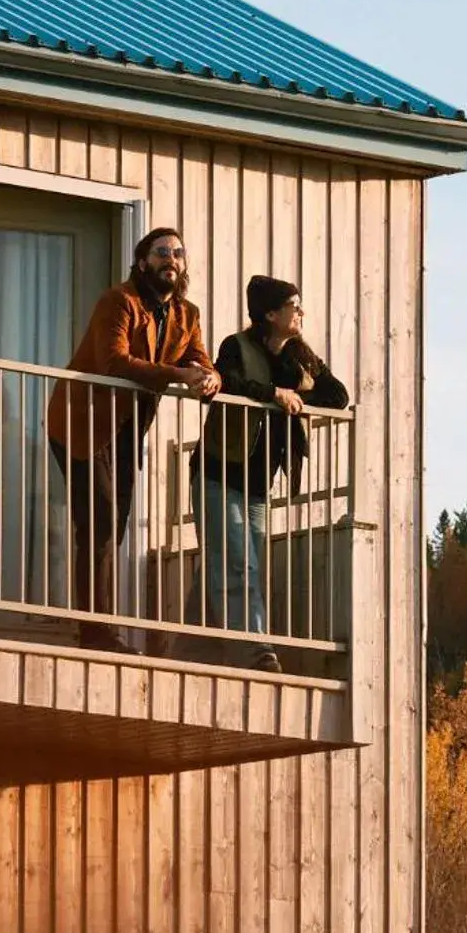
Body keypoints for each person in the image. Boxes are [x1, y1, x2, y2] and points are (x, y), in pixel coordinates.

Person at [46, 227, 219, 651]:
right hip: (81, 420)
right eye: (162, 252)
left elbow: (200, 359)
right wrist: (179, 375)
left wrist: (211, 377)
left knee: (112, 525)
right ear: (143, 262)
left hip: (127, 427)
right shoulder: (119, 301)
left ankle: (98, 624)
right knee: (100, 519)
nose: (171, 260)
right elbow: (114, 361)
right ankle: (95, 630)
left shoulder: (187, 314)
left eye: (178, 252)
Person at [197, 275, 349, 671]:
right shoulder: (238, 346)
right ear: (269, 313)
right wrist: (273, 395)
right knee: (237, 564)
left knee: (231, 563)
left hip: (258, 484)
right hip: (219, 473)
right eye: (292, 305)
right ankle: (258, 653)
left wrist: (296, 396)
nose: (300, 311)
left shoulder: (300, 357)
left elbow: (338, 395)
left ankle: (189, 646)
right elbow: (227, 380)